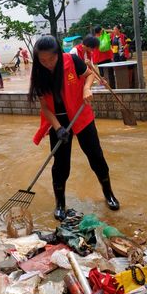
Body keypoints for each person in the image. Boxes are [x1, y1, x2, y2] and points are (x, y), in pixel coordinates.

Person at [29, 35, 119, 220]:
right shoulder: (39, 73)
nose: (47, 63)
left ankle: (108, 193)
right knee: (61, 166)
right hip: (59, 122)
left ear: (58, 54)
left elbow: (89, 75)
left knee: (96, 157)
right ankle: (60, 203)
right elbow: (45, 107)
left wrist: (86, 88)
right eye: (42, 60)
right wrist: (58, 128)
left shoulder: (72, 60)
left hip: (81, 116)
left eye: (51, 59)